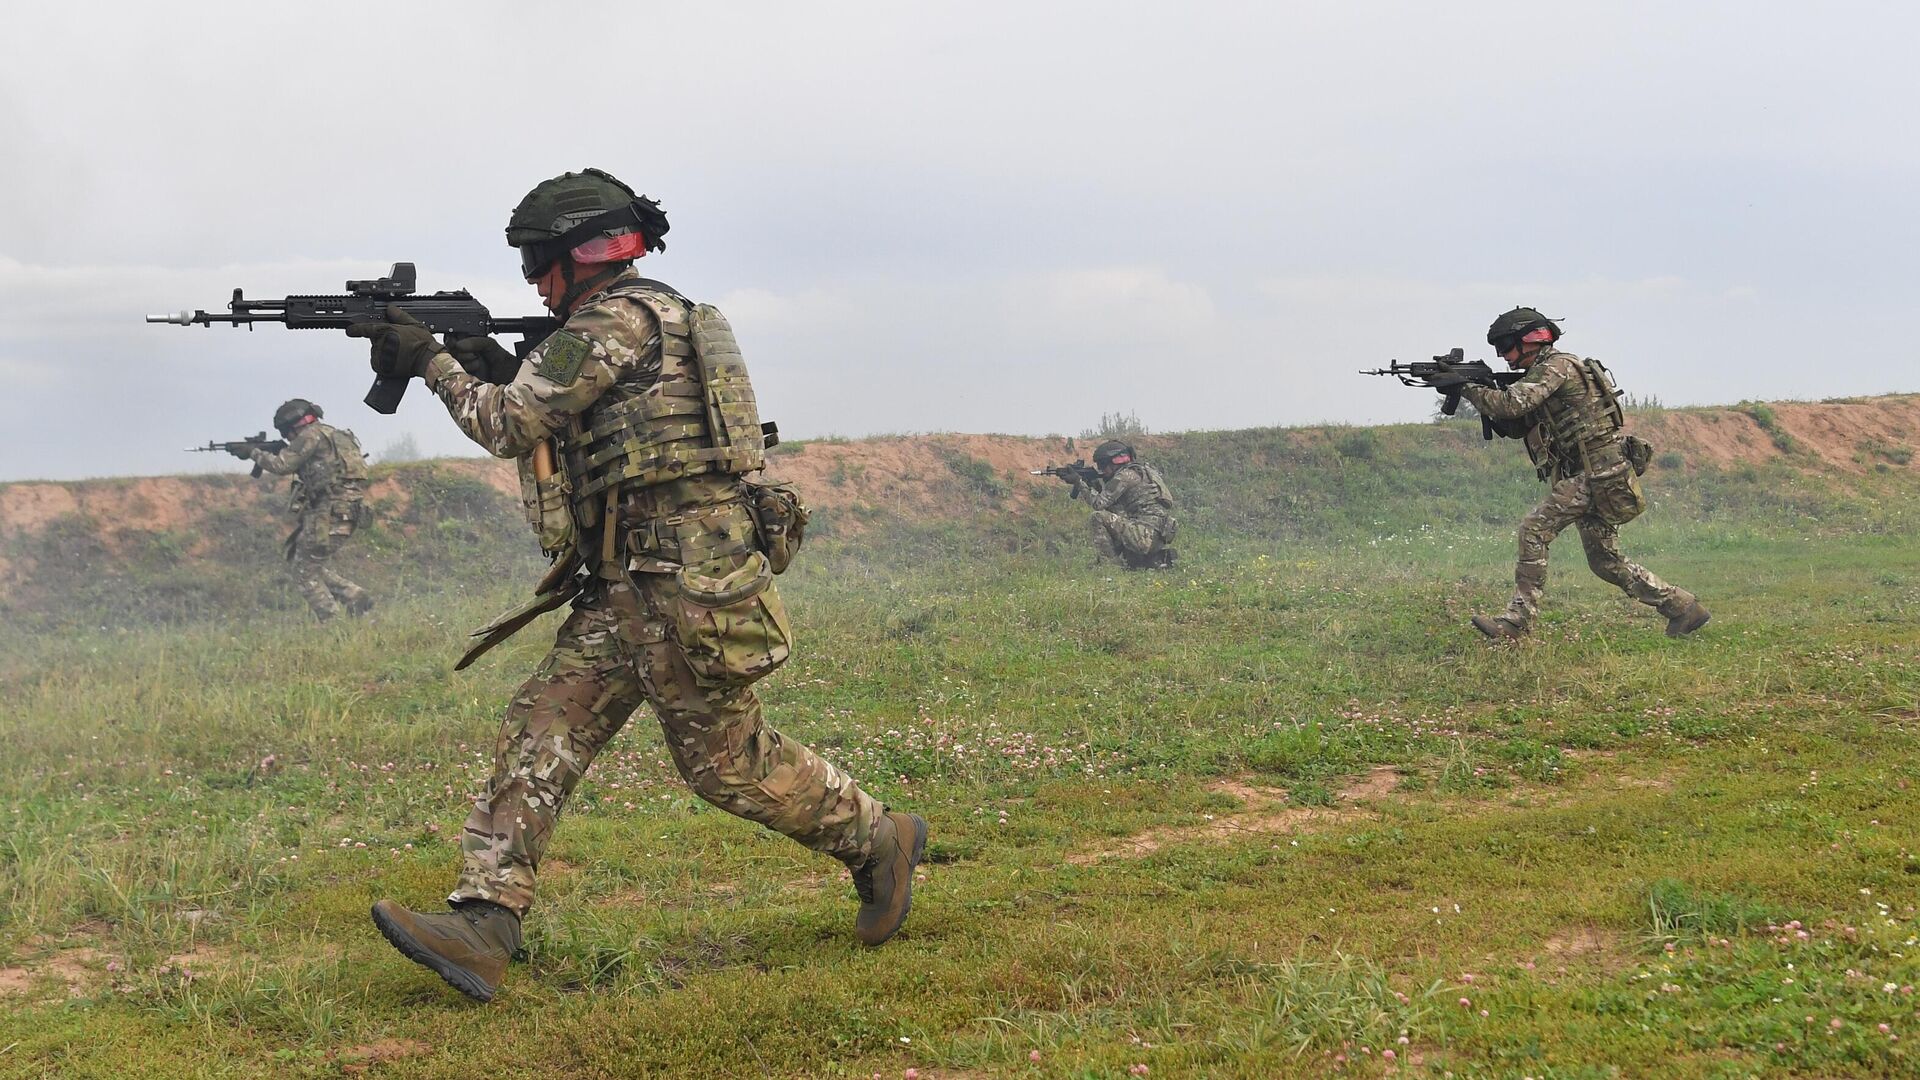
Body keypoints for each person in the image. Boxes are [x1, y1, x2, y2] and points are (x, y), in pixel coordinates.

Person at [343, 169, 926, 1002]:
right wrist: (488, 361)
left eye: (535, 263)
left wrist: (434, 362)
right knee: (541, 731)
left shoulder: (618, 319)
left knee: (728, 767)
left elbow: (507, 422)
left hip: (682, 588)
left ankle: (880, 840)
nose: (532, 283)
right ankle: (484, 922)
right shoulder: (639, 320)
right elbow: (572, 411)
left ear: (575, 255)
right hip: (629, 584)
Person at [1457, 308, 1709, 640]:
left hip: (1595, 473)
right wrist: (1473, 385)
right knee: (1604, 562)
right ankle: (1682, 607)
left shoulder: (1557, 366)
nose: (1503, 356)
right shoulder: (1546, 371)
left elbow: (1511, 405)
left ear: (1529, 339)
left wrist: (1466, 387)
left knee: (1534, 531)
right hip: (1594, 472)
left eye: (1505, 346)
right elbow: (1516, 423)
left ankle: (1515, 624)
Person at [240, 398, 372, 620]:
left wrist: (253, 452)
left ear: (293, 425)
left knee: (303, 571)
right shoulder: (333, 434)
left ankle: (332, 622)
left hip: (329, 510)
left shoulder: (310, 436)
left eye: (286, 433)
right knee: (307, 563)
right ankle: (353, 595)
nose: (288, 438)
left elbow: (281, 465)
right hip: (349, 509)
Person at [1060, 439, 1177, 569]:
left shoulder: (1124, 476)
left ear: (1112, 463)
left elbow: (1098, 503)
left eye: (1103, 466)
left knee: (1097, 517)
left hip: (1144, 535)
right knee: (1115, 514)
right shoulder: (1143, 472)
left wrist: (1079, 482)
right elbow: (1114, 507)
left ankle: (1110, 565)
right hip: (1157, 535)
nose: (1102, 471)